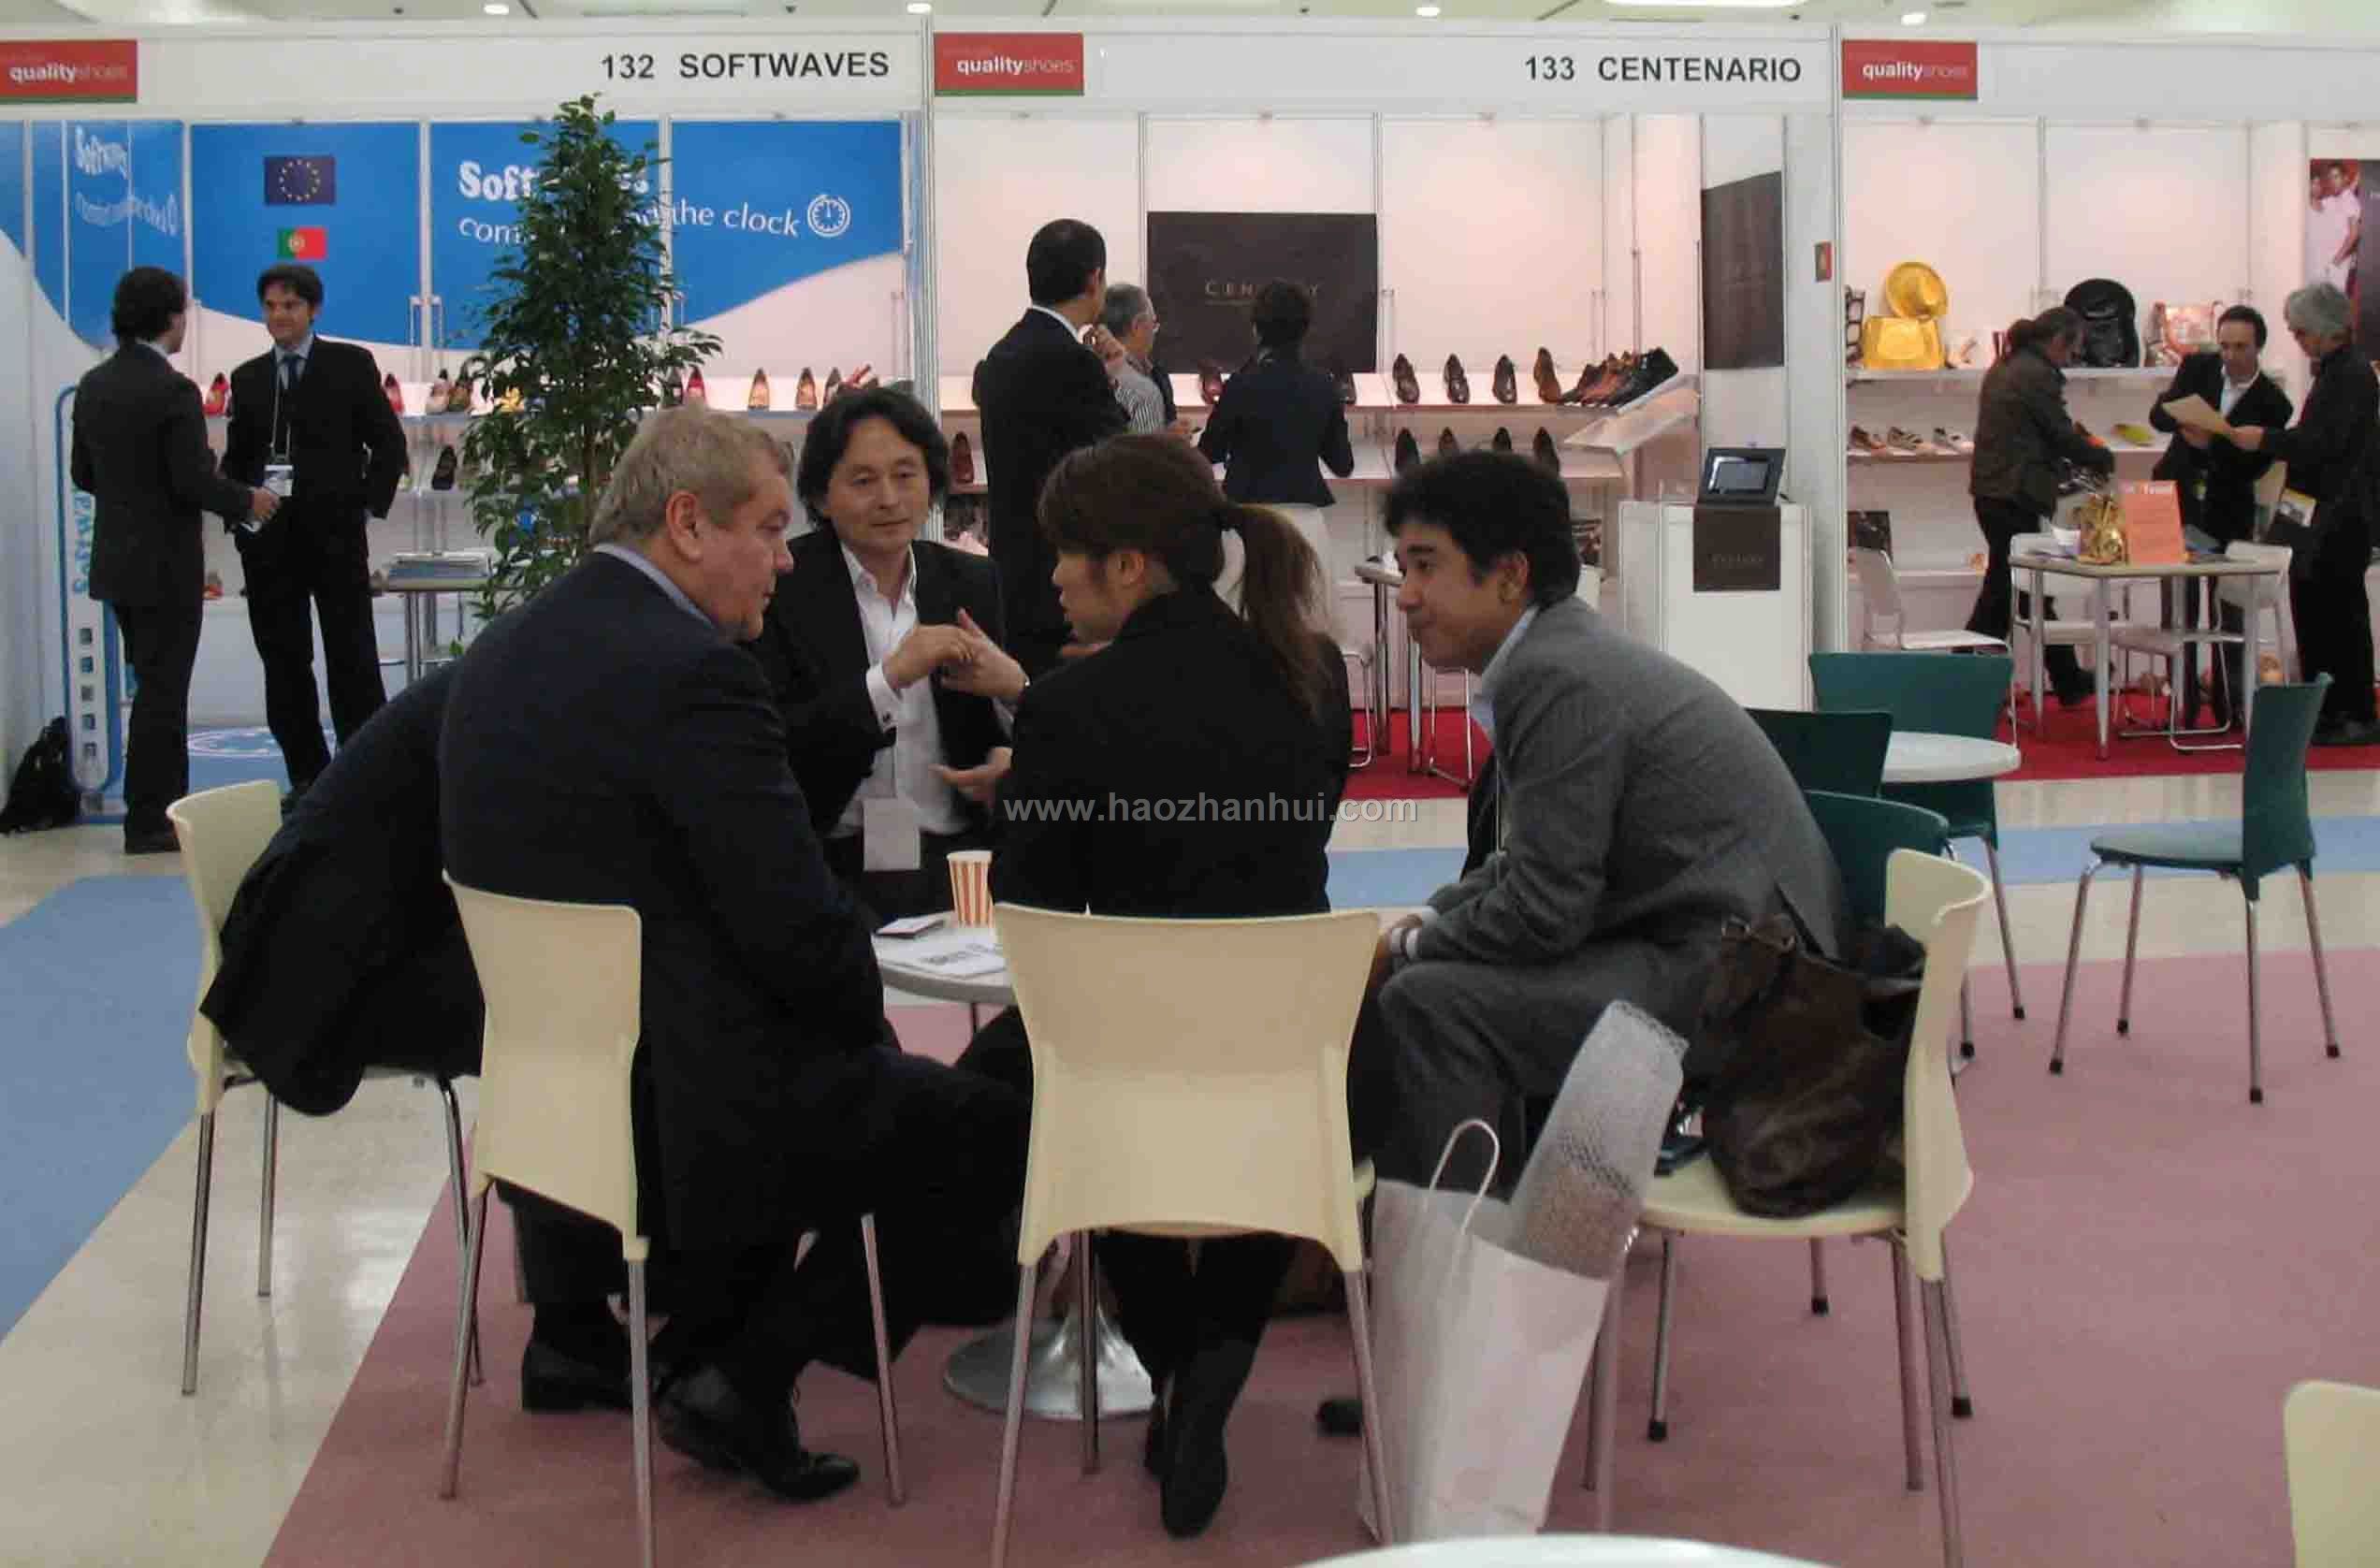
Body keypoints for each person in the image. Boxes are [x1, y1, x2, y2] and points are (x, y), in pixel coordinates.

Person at [440, 407, 1028, 1503]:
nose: (783, 557)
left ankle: (705, 1345)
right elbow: (799, 931)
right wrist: (867, 1024)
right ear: (686, 523)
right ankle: (749, 1372)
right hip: (691, 1105)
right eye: (766, 528)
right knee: (996, 1123)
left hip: (547, 1089)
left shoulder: (509, 644)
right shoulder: (696, 674)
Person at [951, 433, 1351, 1540]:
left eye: (1064, 553)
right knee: (1245, 1139)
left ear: (1129, 565)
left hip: (1124, 1070)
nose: (1050, 577)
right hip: (1288, 1056)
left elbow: (1032, 918)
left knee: (1059, 1079)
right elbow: (1294, 853)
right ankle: (1212, 1361)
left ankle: (1178, 1365)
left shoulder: (1069, 709)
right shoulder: (1313, 679)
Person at [1354, 451, 1847, 1191]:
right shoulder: (1564, 652)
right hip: (1729, 947)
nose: (1407, 596)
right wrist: (1422, 924)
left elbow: (1543, 913)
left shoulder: (1558, 678)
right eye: (1403, 568)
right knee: (1418, 976)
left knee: (1429, 1003)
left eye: (1425, 566)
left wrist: (1410, 945)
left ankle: (1458, 1244)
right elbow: (1535, 867)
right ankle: (1448, 1223)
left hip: (1750, 982)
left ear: (1510, 575)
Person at [742, 386, 1025, 922]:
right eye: (863, 481)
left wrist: (1009, 740)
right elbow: (773, 743)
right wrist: (888, 679)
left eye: (905, 474)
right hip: (827, 861)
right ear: (821, 497)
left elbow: (1008, 728)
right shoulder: (781, 585)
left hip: (958, 857)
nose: (889, 499)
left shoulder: (971, 580)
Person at [199, 663, 479, 1114]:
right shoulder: (507, 694)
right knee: (552, 1007)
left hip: (319, 939)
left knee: (553, 997)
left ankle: (526, 1150)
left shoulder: (496, 676)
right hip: (305, 985)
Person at [69, 267, 279, 855]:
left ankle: (153, 811)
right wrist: (250, 500)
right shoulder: (174, 391)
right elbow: (192, 480)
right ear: (169, 318)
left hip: (116, 562)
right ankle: (154, 818)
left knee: (151, 685)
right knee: (165, 693)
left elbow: (82, 473)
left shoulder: (93, 385)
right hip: (166, 564)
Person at [220, 263, 409, 803]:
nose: (279, 316)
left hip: (335, 538)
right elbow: (238, 459)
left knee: (352, 656)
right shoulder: (248, 378)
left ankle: (364, 773)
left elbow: (388, 444)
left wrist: (364, 507)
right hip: (269, 544)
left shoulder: (350, 364)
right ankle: (307, 777)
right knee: (284, 663)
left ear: (313, 310)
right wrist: (240, 517)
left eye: (290, 305)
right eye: (270, 306)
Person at [972, 219, 1129, 676]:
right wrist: (1112, 376)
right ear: (1094, 279)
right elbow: (1118, 458)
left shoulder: (1001, 353)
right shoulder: (1074, 361)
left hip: (1011, 562)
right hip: (1065, 568)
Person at [2226, 282, 2380, 746]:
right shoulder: (2336, 372)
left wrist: (2267, 440)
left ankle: (2350, 711)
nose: (2298, 341)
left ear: (2326, 329)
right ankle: (2327, 707)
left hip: (2338, 518)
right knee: (2317, 613)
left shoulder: (2350, 375)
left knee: (2339, 617)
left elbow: (2323, 444)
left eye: (2301, 333)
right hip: (2323, 515)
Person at [2146, 304, 2292, 726]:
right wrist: (2180, 419)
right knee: (2178, 611)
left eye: (2240, 347)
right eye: (2225, 345)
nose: (2229, 355)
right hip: (2178, 500)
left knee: (2229, 612)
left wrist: (2213, 445)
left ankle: (2232, 706)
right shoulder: (2197, 368)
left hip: (2228, 510)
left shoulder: (2274, 403)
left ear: (2259, 347)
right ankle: (2183, 707)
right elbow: (2158, 417)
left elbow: (2255, 468)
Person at [1966, 306, 2114, 706]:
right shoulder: (2035, 373)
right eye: (2073, 351)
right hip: (2014, 493)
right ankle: (1964, 676)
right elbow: (2058, 434)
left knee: (2021, 588)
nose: (2072, 360)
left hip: (1995, 491)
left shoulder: (2008, 365)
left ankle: (2064, 679)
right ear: (2058, 341)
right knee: (2009, 589)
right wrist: (2100, 457)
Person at [1196, 279, 1356, 614]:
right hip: (1305, 527)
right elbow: (1343, 464)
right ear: (1305, 329)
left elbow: (1209, 452)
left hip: (1248, 524)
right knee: (1307, 627)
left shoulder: (1241, 385)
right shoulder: (1323, 386)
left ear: (1256, 329)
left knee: (1245, 626)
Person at [1099, 283, 1172, 435]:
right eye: (1153, 324)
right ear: (1137, 325)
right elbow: (1147, 450)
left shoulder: (1158, 375)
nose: (1154, 332)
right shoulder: (1144, 392)